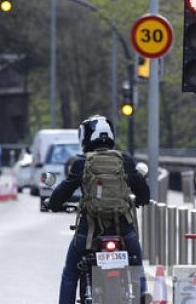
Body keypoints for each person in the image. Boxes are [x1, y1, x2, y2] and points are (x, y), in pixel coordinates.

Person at [45, 114, 150, 304]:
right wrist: (142, 200)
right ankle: (143, 297)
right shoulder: (125, 159)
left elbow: (64, 190)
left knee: (70, 273)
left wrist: (52, 204)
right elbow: (143, 192)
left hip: (89, 232)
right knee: (137, 267)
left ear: (85, 137)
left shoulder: (82, 162)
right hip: (123, 230)